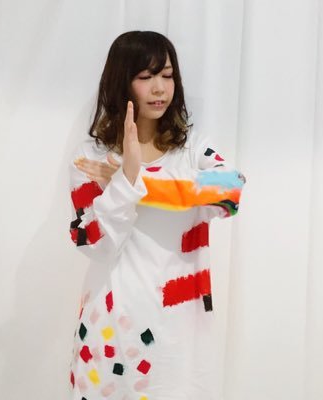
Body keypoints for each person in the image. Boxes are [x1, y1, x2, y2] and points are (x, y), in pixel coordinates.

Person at [68, 30, 245, 400]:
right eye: (145, 77)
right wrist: (124, 181)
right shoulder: (93, 158)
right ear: (121, 82)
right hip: (113, 324)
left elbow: (230, 193)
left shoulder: (192, 149)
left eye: (167, 75)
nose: (160, 88)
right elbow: (95, 245)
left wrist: (137, 184)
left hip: (179, 327)